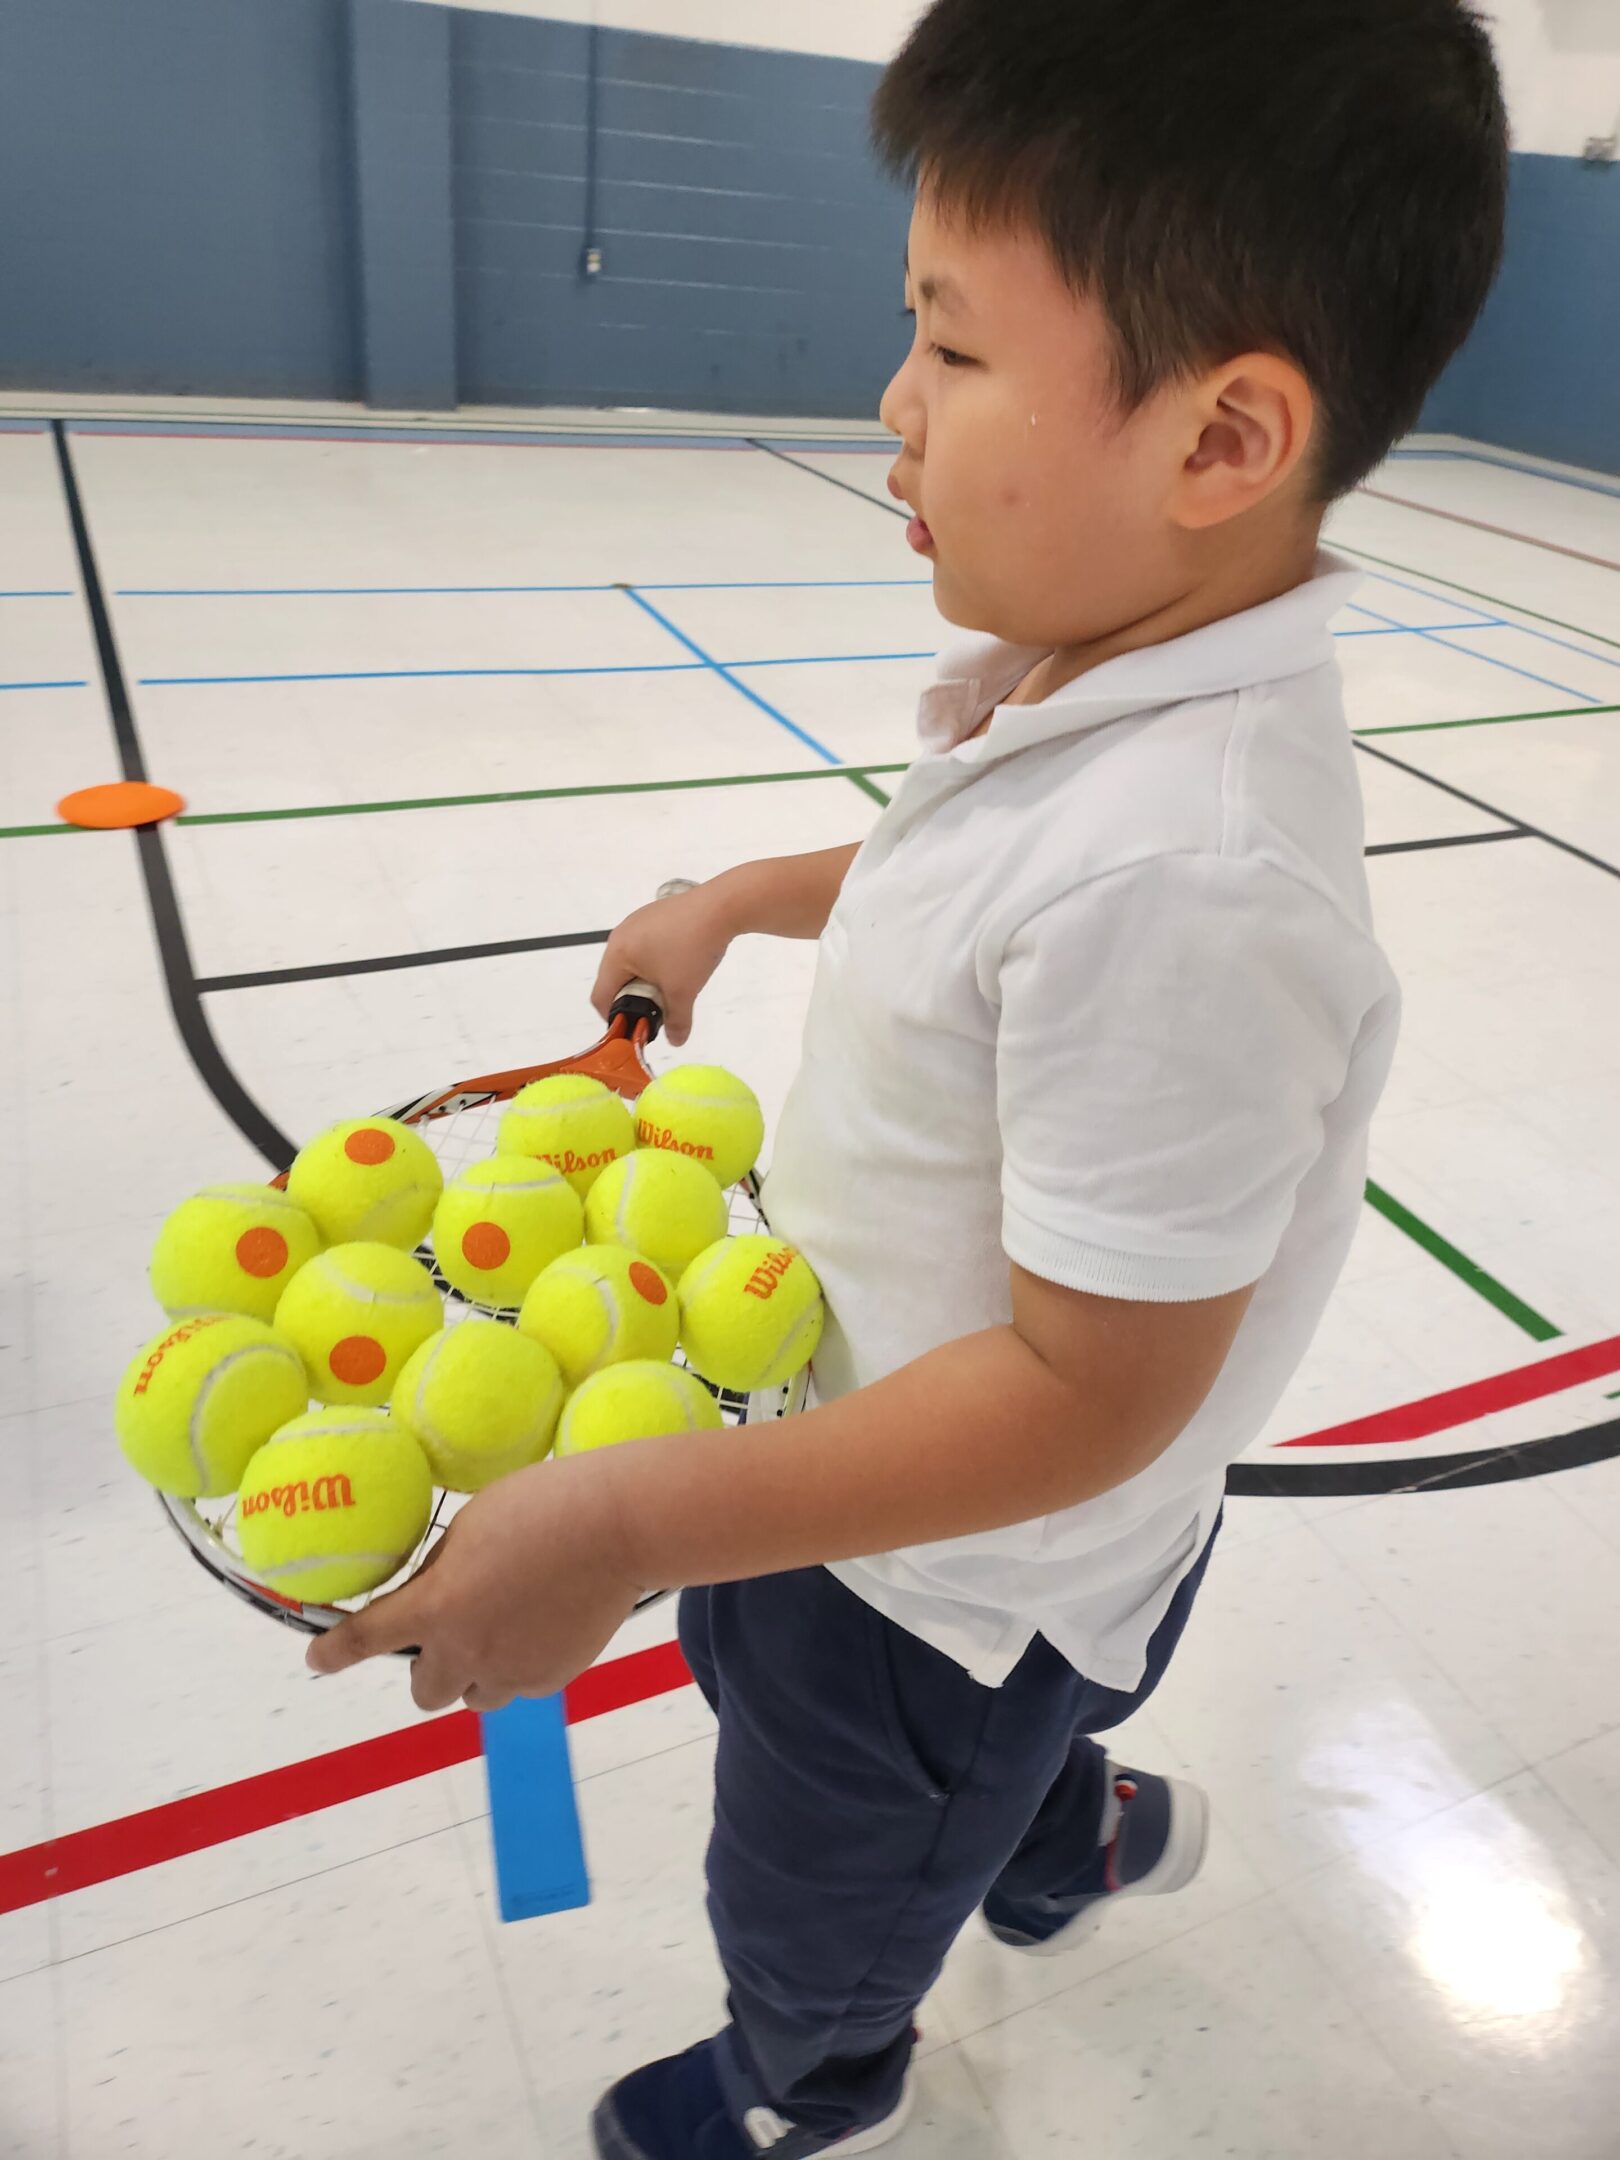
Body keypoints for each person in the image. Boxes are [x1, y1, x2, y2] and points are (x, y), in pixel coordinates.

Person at [311, 1, 1508, 2151]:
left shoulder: (1198, 874)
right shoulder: (1110, 693)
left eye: (952, 350)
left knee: (820, 1881)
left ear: (1222, 443)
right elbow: (968, 880)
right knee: (1043, 1716)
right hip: (979, 1536)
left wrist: (625, 1513)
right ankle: (1058, 1836)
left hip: (930, 1587)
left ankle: (816, 2073)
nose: (891, 402)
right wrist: (748, 895)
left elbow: (1089, 1394)